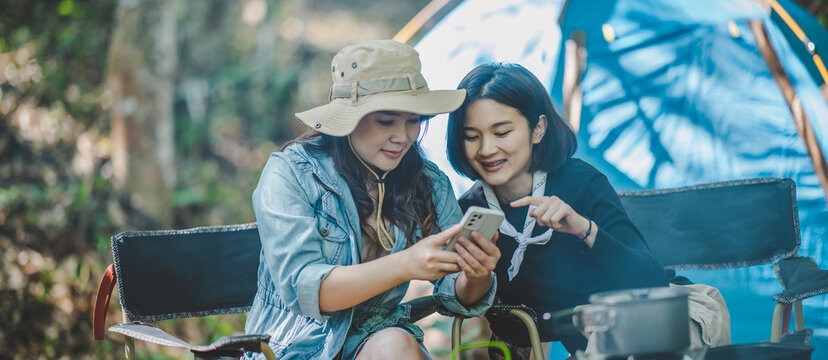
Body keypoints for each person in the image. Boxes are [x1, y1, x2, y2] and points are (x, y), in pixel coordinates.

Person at [244, 40, 500, 360]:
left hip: (379, 339)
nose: (404, 136)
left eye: (414, 120)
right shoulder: (291, 172)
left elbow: (456, 294)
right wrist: (405, 264)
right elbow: (307, 289)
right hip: (293, 346)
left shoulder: (427, 182)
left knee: (395, 345)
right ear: (348, 118)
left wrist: (475, 273)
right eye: (386, 121)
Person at [445, 63, 669, 356]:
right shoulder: (469, 212)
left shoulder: (581, 183)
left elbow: (652, 281)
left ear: (538, 128)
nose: (486, 149)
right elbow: (464, 303)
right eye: (472, 136)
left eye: (502, 133)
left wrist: (582, 228)